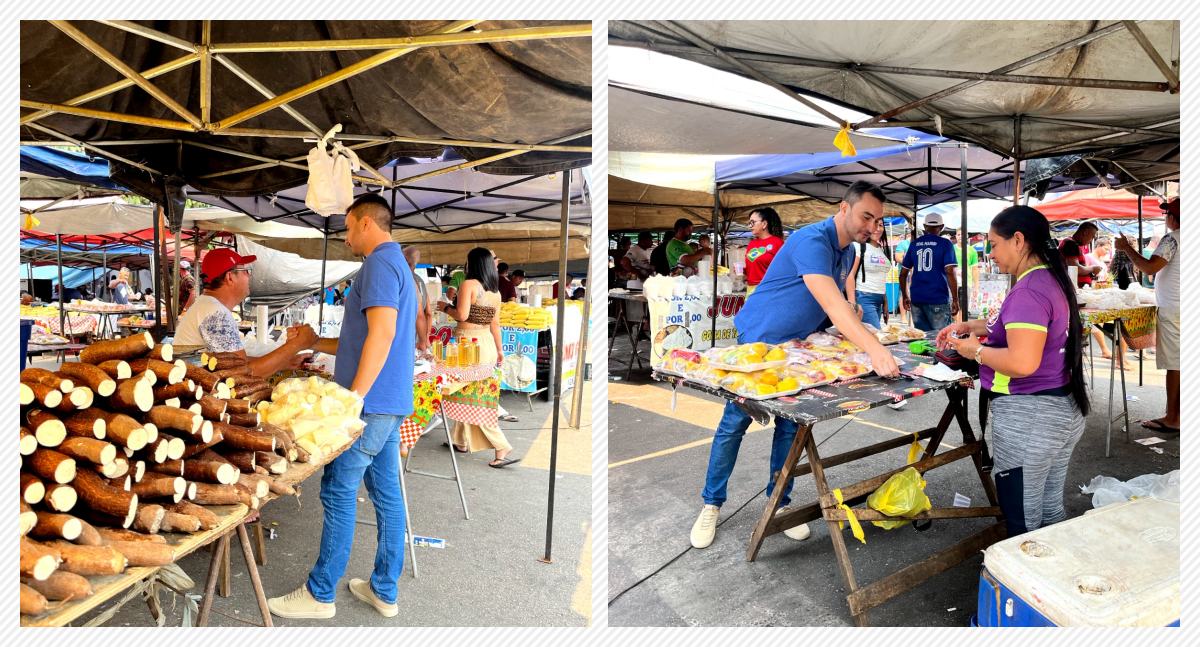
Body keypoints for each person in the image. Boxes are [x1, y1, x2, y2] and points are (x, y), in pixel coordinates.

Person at [690, 181, 900, 549]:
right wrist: (874, 350)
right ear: (844, 208)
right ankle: (711, 503)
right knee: (734, 423)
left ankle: (779, 504)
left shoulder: (848, 252)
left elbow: (836, 303)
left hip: (800, 349)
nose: (872, 226)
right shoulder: (811, 240)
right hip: (759, 341)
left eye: (877, 220)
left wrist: (852, 322)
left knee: (790, 429)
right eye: (866, 216)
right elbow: (831, 301)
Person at [267, 192, 417, 620]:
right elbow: (365, 335)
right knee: (387, 495)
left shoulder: (378, 265)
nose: (346, 236)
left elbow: (383, 333)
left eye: (349, 226)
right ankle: (384, 589)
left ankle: (320, 594)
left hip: (371, 404)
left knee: (337, 489)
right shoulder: (397, 264)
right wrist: (316, 342)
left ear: (365, 223)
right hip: (389, 402)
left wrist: (354, 398)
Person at [940, 205, 1088, 536]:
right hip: (1060, 409)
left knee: (1023, 522)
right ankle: (1057, 577)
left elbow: (1022, 362)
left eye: (993, 244)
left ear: (1018, 240)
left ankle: (1028, 582)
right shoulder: (1048, 278)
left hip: (1032, 417)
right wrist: (970, 324)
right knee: (1049, 509)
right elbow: (1016, 327)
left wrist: (972, 350)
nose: (990, 253)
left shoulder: (1029, 290)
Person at [174, 248, 315, 377]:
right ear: (230, 277)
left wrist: (287, 363)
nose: (249, 276)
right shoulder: (215, 314)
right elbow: (241, 373)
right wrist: (296, 345)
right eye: (245, 271)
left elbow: (239, 361)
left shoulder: (208, 305)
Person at [439, 247, 519, 468]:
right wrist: (500, 350)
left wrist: (445, 307)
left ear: (472, 263)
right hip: (486, 344)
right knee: (468, 392)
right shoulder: (495, 292)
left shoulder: (468, 285)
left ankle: (500, 444)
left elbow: (462, 315)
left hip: (468, 344)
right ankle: (461, 440)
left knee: (469, 395)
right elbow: (495, 324)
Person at [1115, 198, 1179, 434]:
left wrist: (1125, 247)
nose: (1166, 219)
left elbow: (1149, 267)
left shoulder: (1173, 239)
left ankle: (1173, 418)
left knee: (1176, 364)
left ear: (1173, 217)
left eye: (1167, 214)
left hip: (1175, 310)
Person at [899, 213, 959, 334]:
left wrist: (905, 295)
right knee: (942, 339)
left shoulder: (914, 244)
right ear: (941, 227)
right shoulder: (945, 244)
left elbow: (903, 273)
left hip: (917, 299)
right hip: (937, 298)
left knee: (922, 339)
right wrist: (955, 299)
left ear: (924, 226)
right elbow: (950, 271)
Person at [846, 225, 891, 329]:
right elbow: (850, 275)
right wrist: (853, 304)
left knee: (872, 334)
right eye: (874, 225)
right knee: (875, 335)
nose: (878, 229)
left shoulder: (882, 249)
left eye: (880, 225)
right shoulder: (858, 246)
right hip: (864, 297)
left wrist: (885, 302)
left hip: (879, 299)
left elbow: (881, 277)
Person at [744, 207, 785, 296]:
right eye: (749, 223)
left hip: (769, 290)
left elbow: (785, 269)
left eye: (752, 222)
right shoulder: (752, 244)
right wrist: (742, 270)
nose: (750, 226)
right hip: (750, 290)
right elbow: (751, 269)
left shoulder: (778, 243)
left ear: (764, 224)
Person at [403, 246, 434, 353]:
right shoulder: (420, 281)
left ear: (405, 259)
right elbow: (429, 313)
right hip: (419, 338)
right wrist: (426, 337)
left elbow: (419, 314)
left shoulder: (404, 279)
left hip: (405, 339)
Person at [1059, 222, 1103, 287]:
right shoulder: (1070, 244)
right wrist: (1093, 268)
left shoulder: (1073, 243)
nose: (1091, 240)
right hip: (1076, 288)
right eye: (1092, 237)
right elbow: (1075, 268)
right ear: (1085, 232)